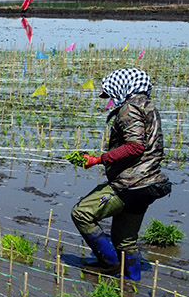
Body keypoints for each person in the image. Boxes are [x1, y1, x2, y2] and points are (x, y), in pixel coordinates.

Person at [71, 68, 171, 281]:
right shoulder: (148, 106)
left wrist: (98, 159)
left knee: (82, 213)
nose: (108, 97)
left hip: (130, 184)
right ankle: (131, 285)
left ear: (123, 87)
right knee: (125, 240)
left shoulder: (129, 108)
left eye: (109, 92)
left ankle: (110, 263)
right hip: (149, 184)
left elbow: (135, 147)